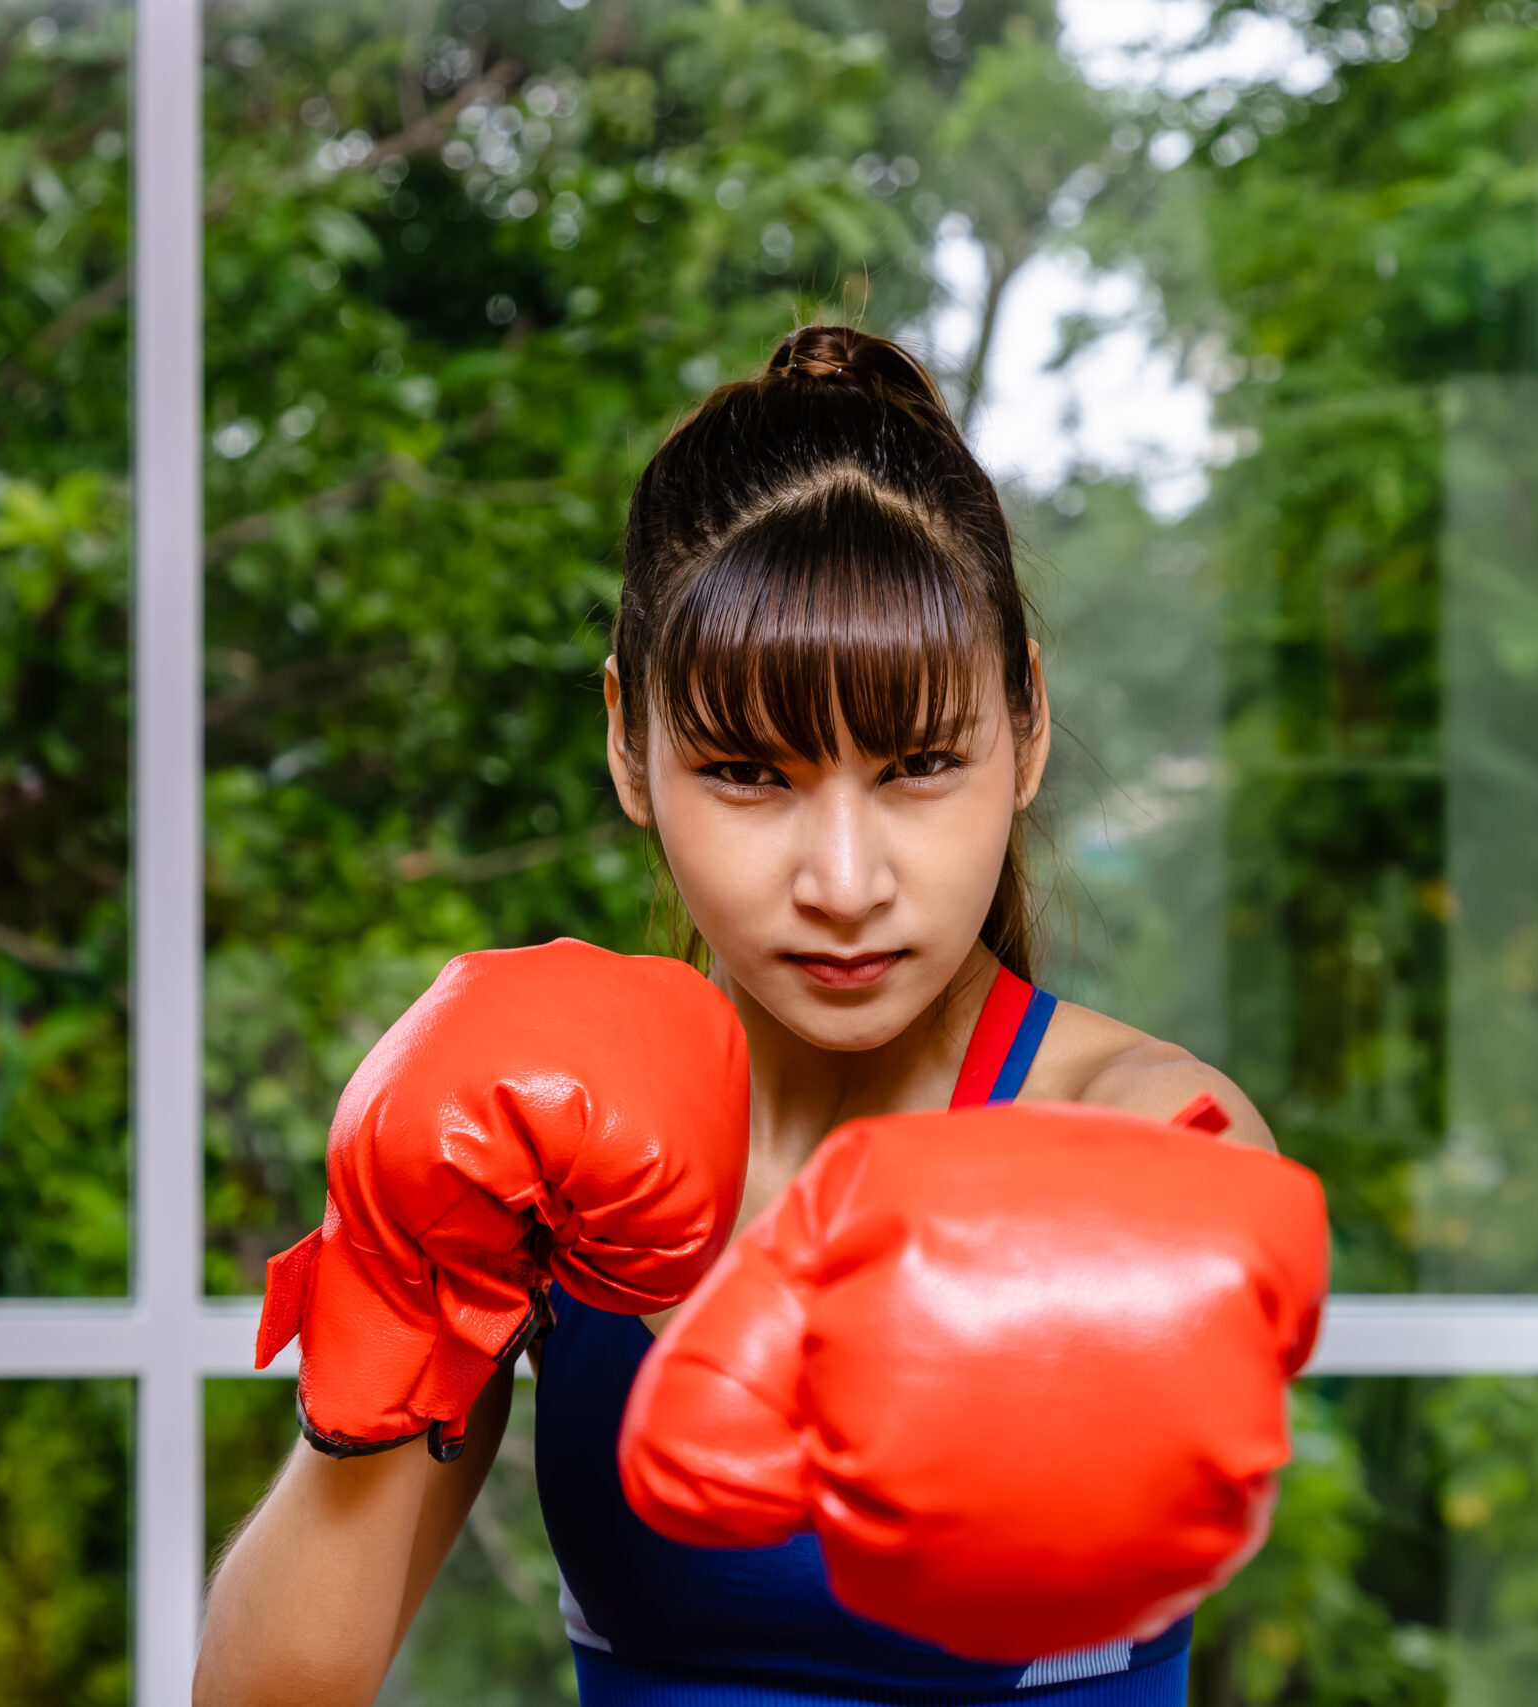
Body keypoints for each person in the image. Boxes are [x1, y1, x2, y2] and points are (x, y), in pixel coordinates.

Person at [194, 325, 1281, 1707]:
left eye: (920, 765)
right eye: (749, 773)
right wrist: (399, 1293)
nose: (843, 881)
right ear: (628, 747)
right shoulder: (544, 1152)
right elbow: (269, 1693)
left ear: (1030, 727)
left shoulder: (1148, 1133)